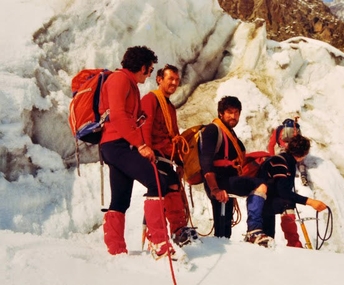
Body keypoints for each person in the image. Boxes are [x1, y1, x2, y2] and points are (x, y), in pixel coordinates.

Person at [98, 46, 175, 258]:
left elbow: (126, 117)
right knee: (157, 181)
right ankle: (158, 241)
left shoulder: (129, 84)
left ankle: (115, 249)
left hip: (117, 146)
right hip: (117, 145)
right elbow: (118, 117)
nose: (150, 74)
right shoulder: (120, 80)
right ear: (142, 67)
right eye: (150, 70)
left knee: (121, 199)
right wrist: (141, 145)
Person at [199, 96, 273, 246]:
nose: (233, 116)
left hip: (226, 181)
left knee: (224, 231)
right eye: (229, 112)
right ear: (221, 113)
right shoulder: (213, 130)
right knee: (260, 185)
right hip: (218, 182)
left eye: (236, 112)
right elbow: (205, 161)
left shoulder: (229, 133)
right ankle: (254, 230)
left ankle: (223, 251)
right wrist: (215, 188)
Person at [140, 64, 197, 247]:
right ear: (159, 79)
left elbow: (173, 133)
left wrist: (179, 160)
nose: (174, 82)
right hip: (155, 155)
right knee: (161, 190)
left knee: (173, 187)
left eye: (176, 80)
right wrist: (147, 150)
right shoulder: (151, 99)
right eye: (170, 79)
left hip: (166, 156)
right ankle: (156, 236)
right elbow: (145, 127)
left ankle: (178, 229)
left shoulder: (169, 106)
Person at [259, 134, 327, 247]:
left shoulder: (286, 161)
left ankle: (292, 243)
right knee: (287, 203)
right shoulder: (280, 162)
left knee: (268, 238)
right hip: (263, 202)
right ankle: (293, 243)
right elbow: (283, 192)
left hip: (264, 202)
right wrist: (310, 202)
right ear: (304, 153)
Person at [267, 118, 309, 186]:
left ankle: (285, 173)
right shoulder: (296, 130)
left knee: (284, 160)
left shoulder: (278, 130)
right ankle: (303, 174)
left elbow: (271, 145)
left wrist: (272, 157)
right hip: (294, 149)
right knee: (300, 160)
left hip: (284, 148)